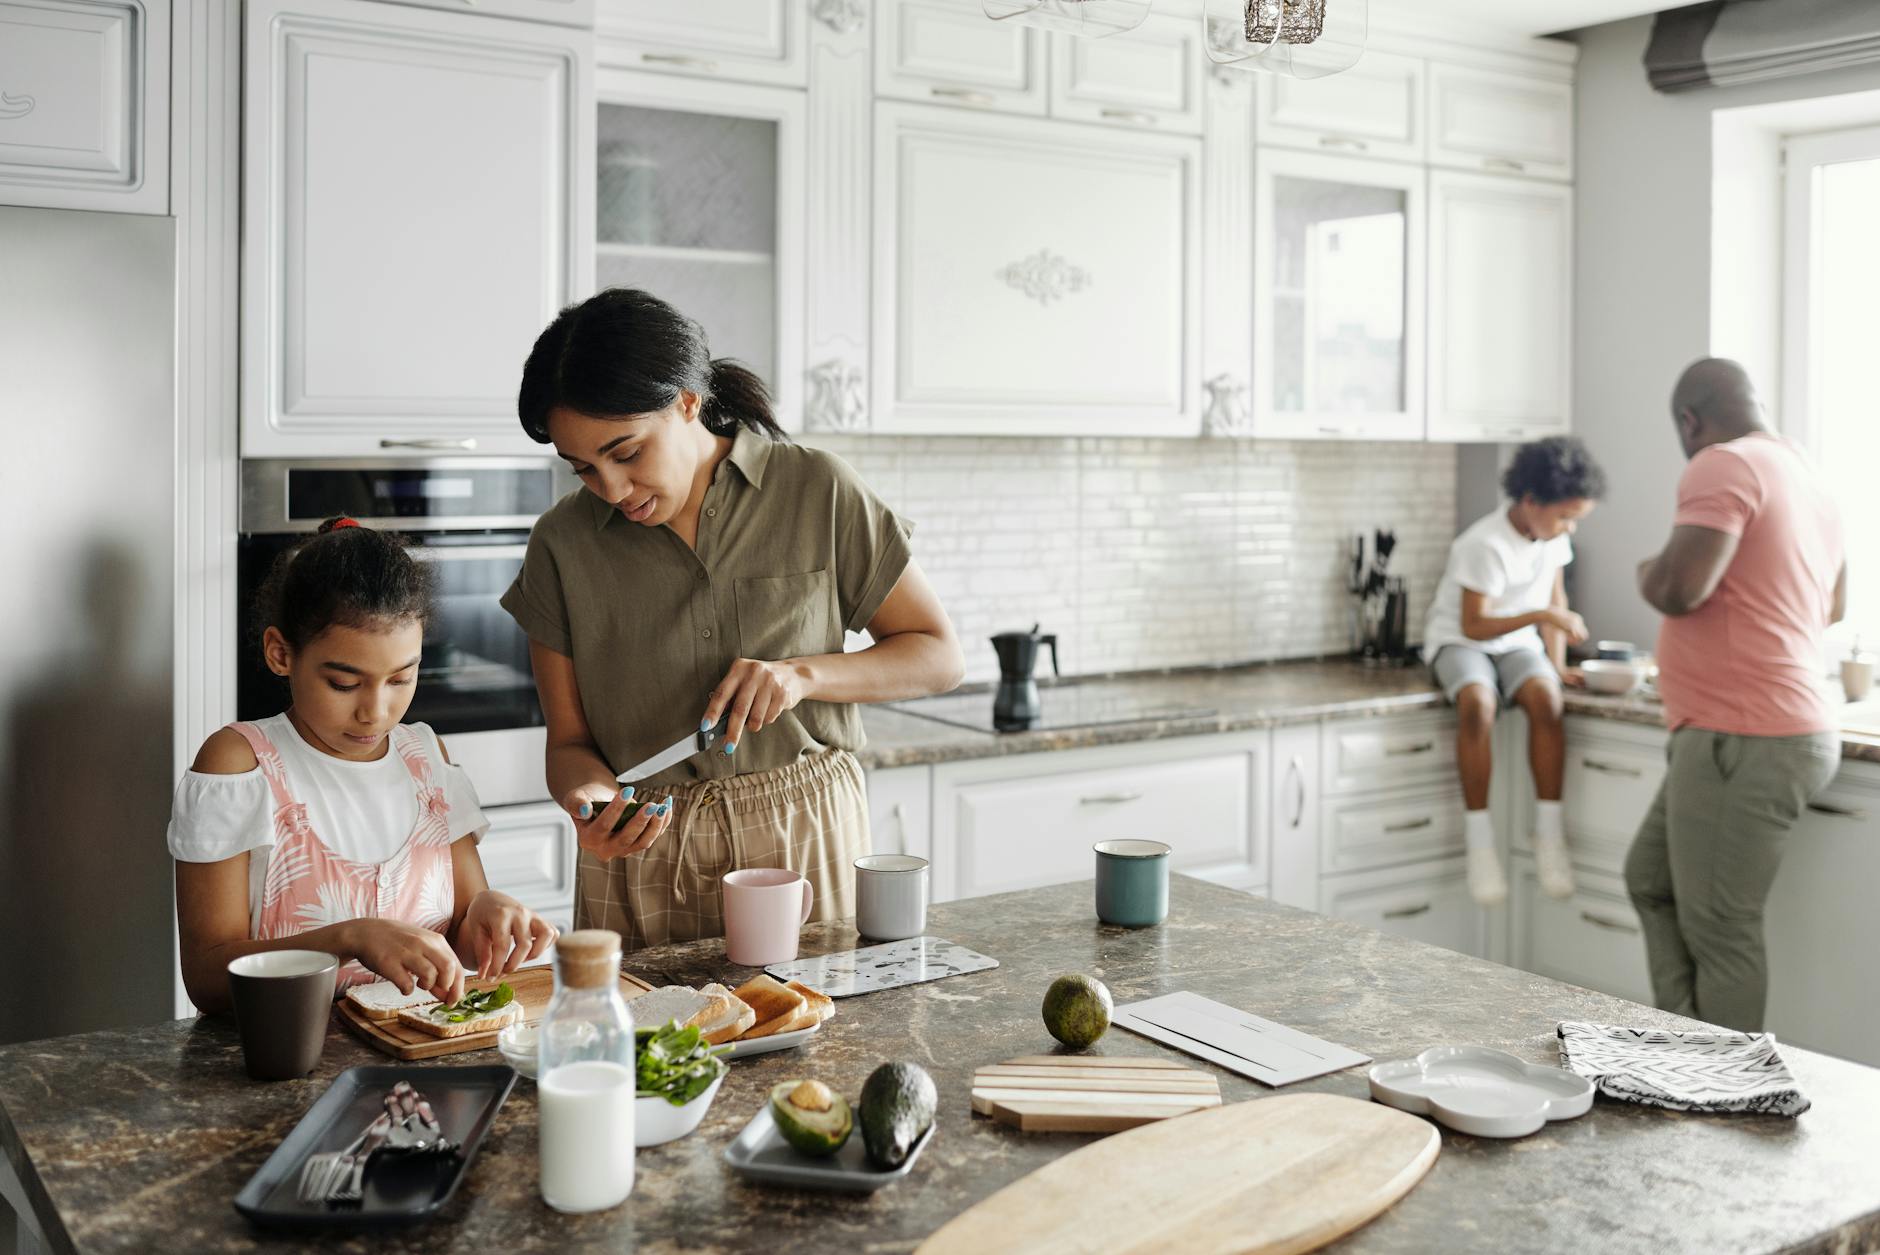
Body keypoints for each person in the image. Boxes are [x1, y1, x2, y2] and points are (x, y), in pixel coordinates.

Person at [501, 288, 964, 951]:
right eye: (582, 468)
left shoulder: (817, 489)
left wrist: (802, 675)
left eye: (626, 453)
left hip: (802, 836)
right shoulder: (560, 543)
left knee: (822, 1039)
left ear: (687, 401)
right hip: (644, 850)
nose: (609, 487)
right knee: (654, 1049)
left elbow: (938, 655)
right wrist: (591, 802)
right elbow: (568, 744)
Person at [171, 518, 556, 1013]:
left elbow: (460, 936)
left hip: (415, 1063)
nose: (375, 711)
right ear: (280, 653)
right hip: (287, 1067)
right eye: (344, 683)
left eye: (401, 678)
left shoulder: (426, 760)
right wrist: (350, 938)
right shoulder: (241, 765)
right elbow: (207, 977)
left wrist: (490, 914)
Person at [1626, 358, 1845, 1032]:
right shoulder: (1807, 474)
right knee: (1649, 878)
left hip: (1744, 735)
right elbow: (1835, 605)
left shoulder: (1723, 464)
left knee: (1722, 928)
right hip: (1763, 729)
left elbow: (1678, 588)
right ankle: (1689, 1050)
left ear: (1690, 421)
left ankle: (1730, 1106)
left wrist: (1647, 572)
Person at [1424, 436, 1608, 907]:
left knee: (1548, 701)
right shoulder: (1482, 544)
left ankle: (1548, 834)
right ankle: (1479, 841)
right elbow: (1474, 624)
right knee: (1477, 704)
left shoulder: (1554, 540)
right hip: (1462, 641)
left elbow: (1556, 599)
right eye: (1564, 516)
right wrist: (1542, 618)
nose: (1570, 528)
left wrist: (1557, 663)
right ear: (1530, 501)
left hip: (1516, 645)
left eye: (1576, 519)